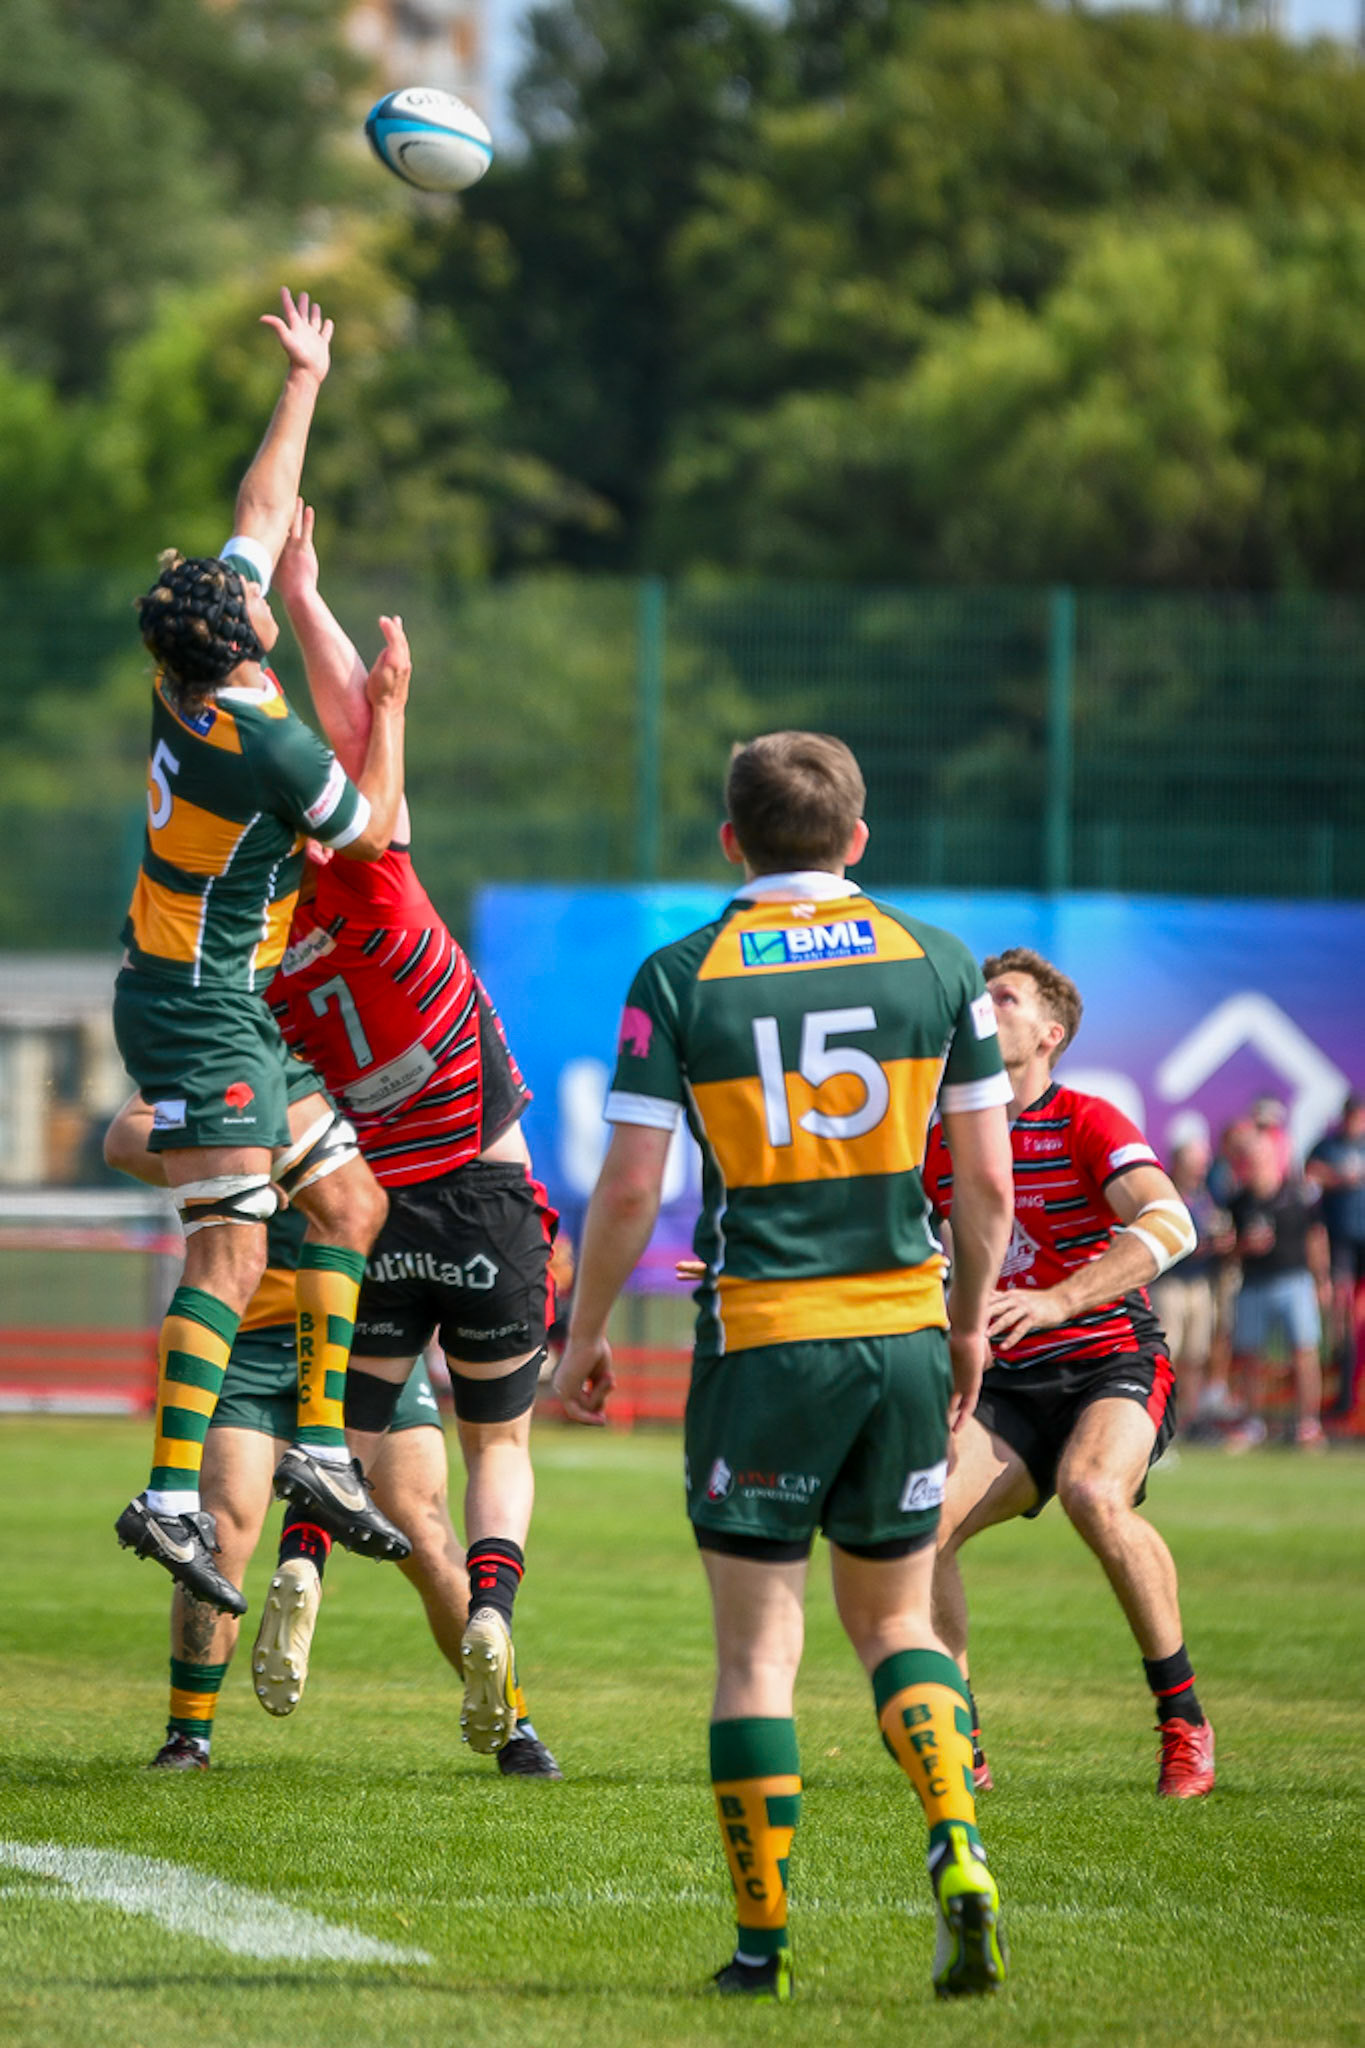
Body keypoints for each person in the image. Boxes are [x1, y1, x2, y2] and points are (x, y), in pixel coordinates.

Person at [555, 731, 1016, 2001]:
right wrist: (968, 1321)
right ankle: (960, 1844)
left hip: (763, 1340)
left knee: (760, 1656)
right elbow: (985, 1182)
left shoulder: (681, 973)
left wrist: (584, 1334)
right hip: (906, 1334)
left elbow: (631, 1187)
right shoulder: (942, 959)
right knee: (899, 1624)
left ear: (731, 842)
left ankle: (762, 1948)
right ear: (857, 838)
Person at [113, 289, 411, 1613]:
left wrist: (305, 379)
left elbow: (257, 502)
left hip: (209, 1001)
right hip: (200, 1010)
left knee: (348, 1206)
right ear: (246, 637)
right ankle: (171, 1496)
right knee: (230, 1256)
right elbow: (374, 831)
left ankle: (321, 1449)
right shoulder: (267, 744)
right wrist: (389, 708)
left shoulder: (193, 669)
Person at [260, 504, 557, 1758]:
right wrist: (374, 685)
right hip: (485, 1199)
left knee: (345, 1431)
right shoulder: (375, 879)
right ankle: (491, 1609)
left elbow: (336, 773)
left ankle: (305, 1565)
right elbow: (359, 756)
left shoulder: (265, 948)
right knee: (499, 1442)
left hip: (377, 1210)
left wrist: (297, 592)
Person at [103, 1086, 560, 1779]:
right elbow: (126, 1137)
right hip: (249, 1336)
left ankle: (512, 1723)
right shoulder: (232, 1044)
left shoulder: (364, 1056)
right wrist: (239, 1157)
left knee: (420, 1524)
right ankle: (188, 1735)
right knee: (223, 1526)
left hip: (364, 1333)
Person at [924, 948, 1214, 1800]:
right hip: (1004, 1384)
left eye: (1004, 999)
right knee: (916, 1526)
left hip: (1107, 1361)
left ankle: (1183, 1722)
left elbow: (1170, 1224)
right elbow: (879, 1244)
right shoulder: (939, 1140)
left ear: (1049, 1034)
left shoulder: (1086, 1120)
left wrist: (1057, 1299)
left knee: (1092, 1492)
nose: (983, 1008)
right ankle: (958, 1741)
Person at [1225, 1133, 1329, 1449]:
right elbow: (1229, 1250)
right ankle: (1253, 1422)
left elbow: (1316, 1237)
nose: (1256, 1166)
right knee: (1251, 1356)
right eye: (1251, 1160)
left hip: (1294, 1280)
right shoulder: (1240, 1201)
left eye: (1262, 1159)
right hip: (1253, 1283)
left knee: (1304, 1352)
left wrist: (1322, 1279)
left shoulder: (1296, 1195)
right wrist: (1244, 1246)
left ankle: (1308, 1423)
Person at [1148, 1136, 1235, 1437]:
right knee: (1167, 1354)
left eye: (1202, 1164)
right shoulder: (1165, 1195)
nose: (1200, 1169)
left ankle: (1189, 1420)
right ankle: (1159, 1419)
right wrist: (1201, 1245)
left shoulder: (1206, 1196)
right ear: (1178, 1165)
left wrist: (1223, 1243)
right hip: (1170, 1283)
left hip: (1199, 1283)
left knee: (1196, 1356)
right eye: (1194, 1164)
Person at [1305, 1092, 1365, 1421]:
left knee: (1357, 1318)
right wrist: (1339, 1177)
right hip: (1340, 1242)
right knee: (1343, 1317)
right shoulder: (1328, 1147)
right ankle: (1343, 1395)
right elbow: (1310, 1174)